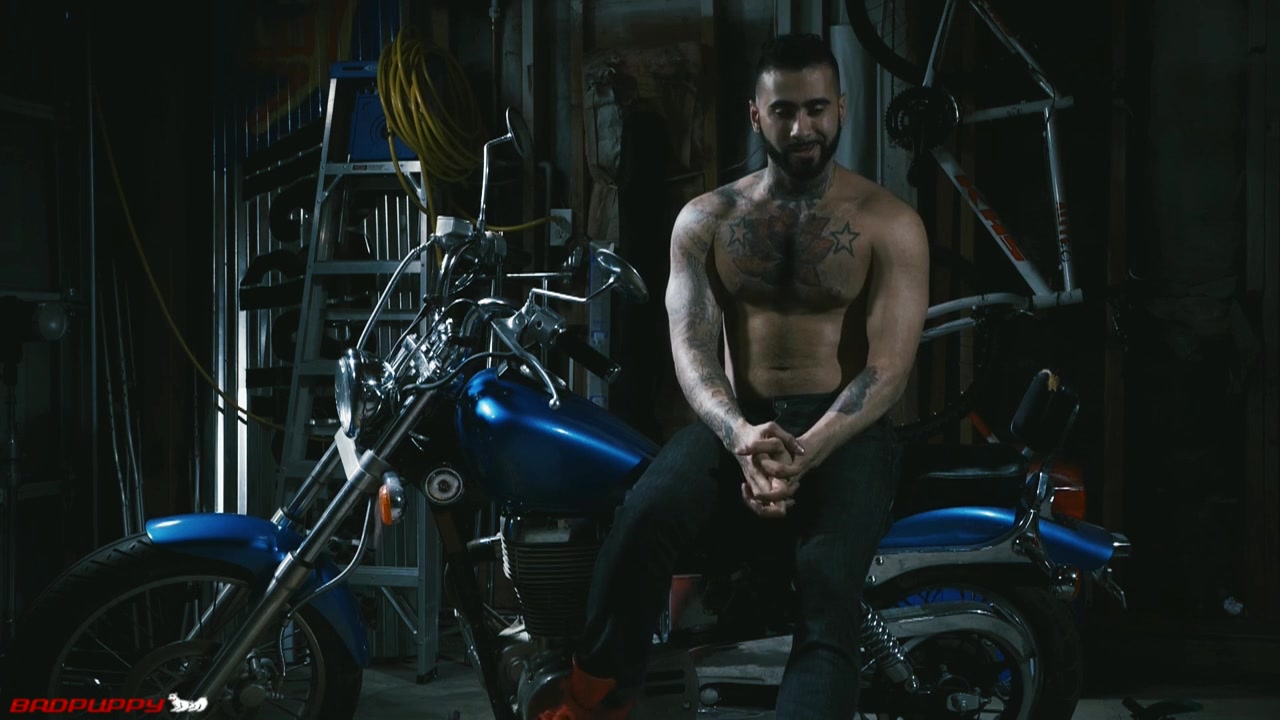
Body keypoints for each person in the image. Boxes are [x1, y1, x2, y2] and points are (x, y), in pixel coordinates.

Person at [540, 32, 930, 720]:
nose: (802, 128)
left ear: (841, 108)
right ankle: (592, 698)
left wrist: (807, 451)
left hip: (847, 430)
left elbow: (888, 368)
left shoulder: (889, 223)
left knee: (826, 583)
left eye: (816, 108)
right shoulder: (707, 220)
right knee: (640, 520)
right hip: (739, 420)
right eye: (784, 111)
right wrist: (741, 436)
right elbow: (690, 350)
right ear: (756, 115)